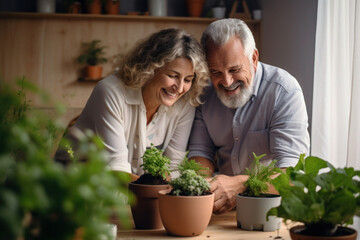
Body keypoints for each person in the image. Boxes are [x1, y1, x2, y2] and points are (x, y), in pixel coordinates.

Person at [188, 19, 310, 214]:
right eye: (216, 72)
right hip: (222, 209)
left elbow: (292, 175)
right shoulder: (204, 93)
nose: (227, 81)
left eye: (234, 70)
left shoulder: (284, 91)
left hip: (272, 208)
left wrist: (242, 185)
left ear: (253, 58)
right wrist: (203, 186)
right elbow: (200, 153)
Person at [57, 28, 209, 181]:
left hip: (127, 194)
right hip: (74, 186)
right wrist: (157, 191)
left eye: (188, 79)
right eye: (172, 76)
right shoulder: (111, 91)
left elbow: (172, 168)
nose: (180, 87)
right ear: (151, 68)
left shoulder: (184, 103)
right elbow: (117, 169)